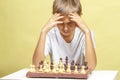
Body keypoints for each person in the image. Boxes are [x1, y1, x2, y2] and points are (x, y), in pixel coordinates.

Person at [33, 0, 97, 72]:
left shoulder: (86, 34)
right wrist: (43, 31)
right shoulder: (49, 34)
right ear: (54, 17)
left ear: (79, 18)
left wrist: (87, 32)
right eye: (61, 23)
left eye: (70, 23)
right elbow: (36, 66)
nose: (65, 28)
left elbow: (91, 67)